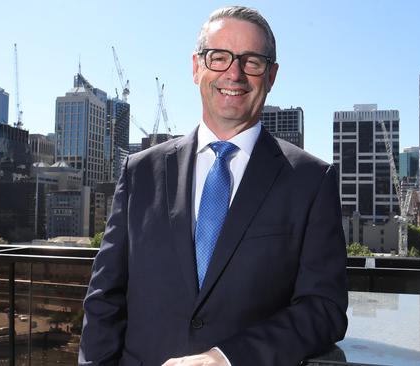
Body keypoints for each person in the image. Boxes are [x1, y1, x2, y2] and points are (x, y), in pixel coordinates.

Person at [79, 6, 348, 366]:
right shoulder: (140, 171)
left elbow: (324, 308)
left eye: (251, 61)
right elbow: (104, 299)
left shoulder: (311, 181)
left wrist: (226, 358)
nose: (233, 74)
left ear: (271, 75)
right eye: (218, 57)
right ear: (196, 68)